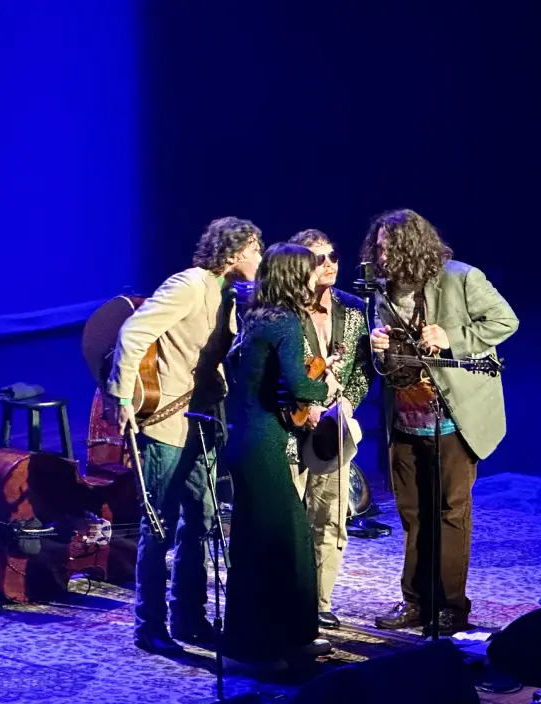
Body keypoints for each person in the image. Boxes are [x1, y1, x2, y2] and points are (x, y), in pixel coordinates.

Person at [105, 216, 262, 654]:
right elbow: (133, 332)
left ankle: (188, 616)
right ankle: (149, 624)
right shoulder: (190, 284)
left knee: (204, 519)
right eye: (254, 249)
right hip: (168, 422)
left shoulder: (233, 293)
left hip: (205, 420)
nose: (260, 257)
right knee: (159, 523)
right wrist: (121, 398)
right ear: (234, 253)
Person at [364, 209, 518, 635]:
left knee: (451, 512)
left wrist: (452, 338)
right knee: (412, 513)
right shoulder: (380, 290)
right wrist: (376, 345)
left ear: (413, 245)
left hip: (453, 416)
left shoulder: (461, 278)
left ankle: (451, 606)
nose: (381, 254)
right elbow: (388, 356)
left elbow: (506, 322)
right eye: (378, 247)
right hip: (406, 417)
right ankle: (414, 601)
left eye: (389, 246)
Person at [222, 243, 340, 670]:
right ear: (296, 275)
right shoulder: (288, 322)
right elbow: (302, 386)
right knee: (279, 548)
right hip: (263, 446)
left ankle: (282, 637)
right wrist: (325, 381)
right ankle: (265, 648)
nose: (316, 277)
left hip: (244, 441)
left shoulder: (255, 315)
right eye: (309, 270)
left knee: (264, 545)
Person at [286, 229, 373, 631]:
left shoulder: (354, 310)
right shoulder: (283, 314)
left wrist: (347, 403)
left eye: (333, 255)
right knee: (289, 520)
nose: (330, 264)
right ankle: (289, 600)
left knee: (332, 517)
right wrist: (307, 405)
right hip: (289, 431)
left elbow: (362, 369)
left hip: (334, 432)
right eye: (319, 258)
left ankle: (320, 602)